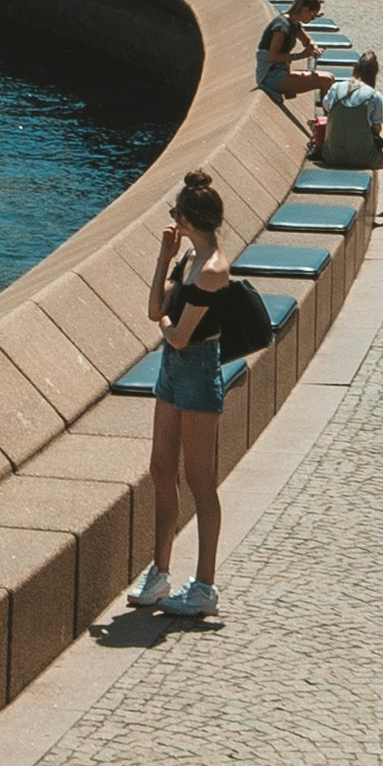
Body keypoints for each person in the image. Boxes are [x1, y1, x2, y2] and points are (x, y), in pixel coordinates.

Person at [132, 167, 236, 621]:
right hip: (173, 370)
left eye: (177, 214)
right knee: (160, 467)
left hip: (197, 371)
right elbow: (156, 310)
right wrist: (163, 256)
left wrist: (165, 324)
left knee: (200, 480)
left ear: (192, 219)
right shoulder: (186, 259)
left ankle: (206, 586)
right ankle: (160, 571)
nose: (173, 220)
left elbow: (177, 335)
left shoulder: (213, 270)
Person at [321, 49, 383, 222]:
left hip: (332, 154)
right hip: (362, 157)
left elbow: (327, 109)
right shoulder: (374, 96)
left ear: (356, 68)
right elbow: (377, 130)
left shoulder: (337, 87)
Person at [255, 0, 323, 104]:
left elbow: (307, 41)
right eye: (313, 16)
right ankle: (326, 120)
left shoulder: (294, 24)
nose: (312, 20)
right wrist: (300, 56)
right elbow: (273, 57)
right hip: (269, 76)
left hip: (280, 71)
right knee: (325, 81)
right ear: (305, 10)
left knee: (327, 78)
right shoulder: (281, 27)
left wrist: (313, 47)